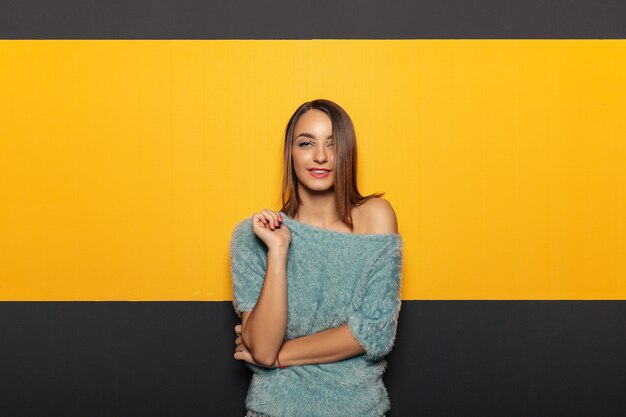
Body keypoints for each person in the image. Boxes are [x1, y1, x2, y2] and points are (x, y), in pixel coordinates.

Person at [230, 99, 403, 417]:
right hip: (275, 409)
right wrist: (278, 251)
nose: (321, 156)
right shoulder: (255, 235)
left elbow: (374, 331)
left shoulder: (375, 216)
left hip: (358, 408)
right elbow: (263, 347)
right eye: (306, 143)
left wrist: (282, 355)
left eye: (332, 144)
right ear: (290, 153)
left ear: (347, 152)